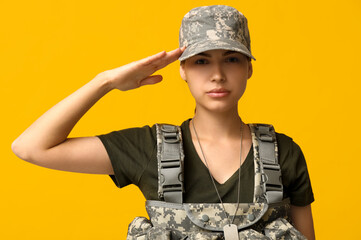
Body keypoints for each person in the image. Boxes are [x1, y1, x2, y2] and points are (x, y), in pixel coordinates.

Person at [11, 5, 315, 239]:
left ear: (249, 68)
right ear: (182, 69)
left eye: (232, 58)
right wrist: (105, 81)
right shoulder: (149, 149)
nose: (218, 74)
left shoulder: (283, 153)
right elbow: (31, 148)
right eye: (201, 60)